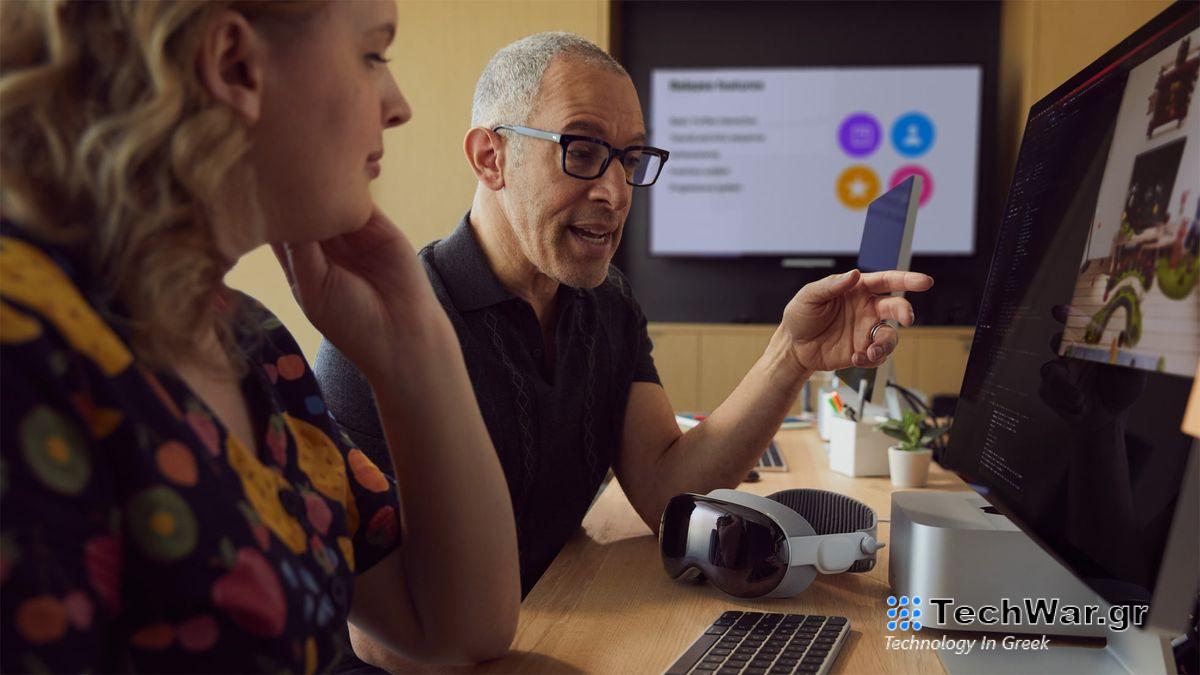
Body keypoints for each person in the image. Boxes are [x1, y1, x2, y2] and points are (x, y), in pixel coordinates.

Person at [315, 32, 932, 671]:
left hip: (552, 624)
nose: (616, 191)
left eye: (631, 159)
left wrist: (791, 355)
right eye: (582, 152)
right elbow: (387, 641)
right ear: (490, 158)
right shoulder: (380, 334)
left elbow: (667, 488)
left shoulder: (606, 303)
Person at [0, 1, 519, 672]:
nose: (398, 105)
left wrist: (413, 343)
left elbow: (458, 628)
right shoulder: (23, 350)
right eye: (373, 55)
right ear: (233, 65)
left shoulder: (254, 346)